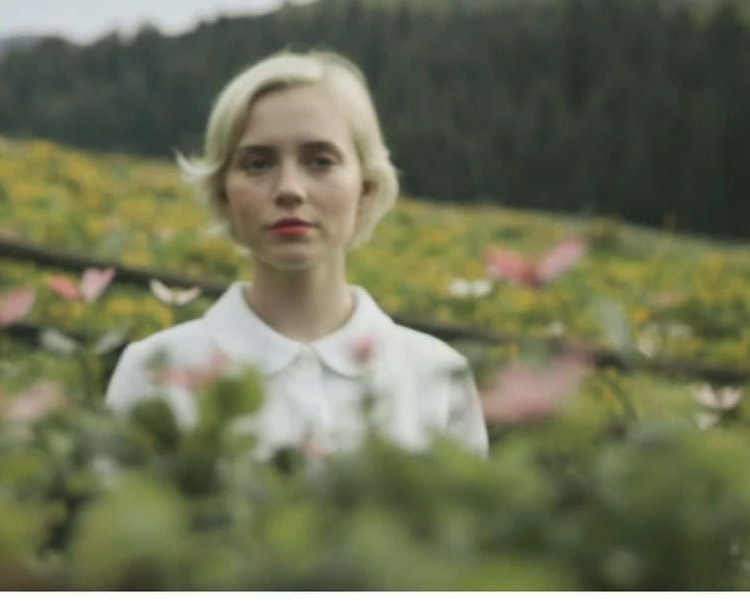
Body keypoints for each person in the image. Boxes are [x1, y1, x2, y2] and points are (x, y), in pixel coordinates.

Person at [103, 48, 489, 460]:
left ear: (366, 188)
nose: (290, 188)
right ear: (222, 194)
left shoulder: (435, 374)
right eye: (257, 164)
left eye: (320, 161)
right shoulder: (152, 371)